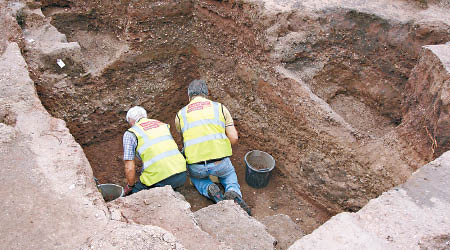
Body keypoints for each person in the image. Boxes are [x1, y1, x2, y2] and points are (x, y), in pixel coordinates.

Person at [175, 79, 251, 215]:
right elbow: (234, 138)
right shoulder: (220, 108)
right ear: (206, 94)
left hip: (196, 166)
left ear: (189, 96)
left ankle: (208, 187)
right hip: (220, 162)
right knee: (229, 175)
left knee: (196, 178)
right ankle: (232, 192)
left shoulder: (180, 114)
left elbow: (185, 138)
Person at [123, 106, 187, 195]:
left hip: (160, 180)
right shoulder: (162, 125)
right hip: (182, 174)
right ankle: (172, 191)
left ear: (131, 120)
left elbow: (129, 167)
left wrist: (130, 186)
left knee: (134, 194)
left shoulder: (130, 133)